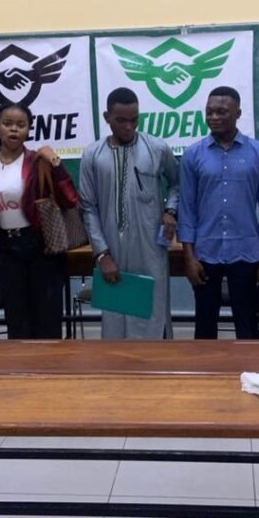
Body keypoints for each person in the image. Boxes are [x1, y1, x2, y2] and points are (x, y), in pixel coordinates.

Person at [178, 86, 259, 339]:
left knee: (247, 327)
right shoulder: (192, 154)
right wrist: (189, 257)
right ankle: (206, 367)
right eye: (209, 112)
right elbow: (187, 209)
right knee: (204, 328)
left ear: (238, 114)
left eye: (222, 112)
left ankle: (249, 367)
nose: (214, 117)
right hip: (205, 253)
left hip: (245, 252)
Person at [0, 102, 78, 339]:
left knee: (47, 320)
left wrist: (56, 163)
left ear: (29, 129)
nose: (14, 129)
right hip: (6, 249)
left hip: (40, 246)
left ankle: (49, 363)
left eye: (21, 124)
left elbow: (70, 199)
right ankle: (21, 364)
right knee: (17, 320)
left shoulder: (38, 161)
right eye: (7, 123)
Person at [79, 87, 180, 339]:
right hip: (112, 249)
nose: (128, 126)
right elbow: (88, 207)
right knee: (116, 318)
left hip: (150, 247)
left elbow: (177, 183)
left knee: (152, 313)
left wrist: (170, 210)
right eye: (121, 120)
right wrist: (102, 255)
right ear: (107, 117)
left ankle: (153, 363)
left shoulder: (157, 148)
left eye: (134, 120)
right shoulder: (93, 154)